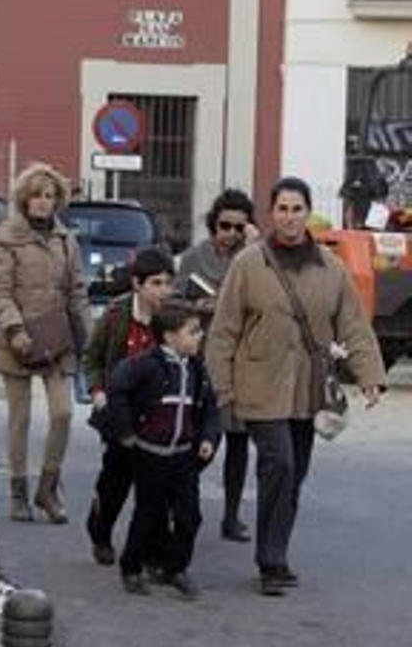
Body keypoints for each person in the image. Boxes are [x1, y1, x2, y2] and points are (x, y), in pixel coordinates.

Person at [205, 177, 387, 596]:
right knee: (280, 463)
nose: (289, 217)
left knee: (295, 474)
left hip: (307, 387)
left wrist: (370, 377)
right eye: (282, 209)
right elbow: (225, 329)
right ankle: (270, 560)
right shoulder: (249, 264)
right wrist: (223, 385)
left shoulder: (330, 267)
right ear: (272, 214)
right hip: (259, 384)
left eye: (297, 209)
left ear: (308, 214)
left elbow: (354, 325)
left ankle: (277, 553)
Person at [0, 162, 92, 524]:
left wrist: (87, 336)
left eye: (50, 196)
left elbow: (77, 290)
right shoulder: (7, 237)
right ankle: (18, 493)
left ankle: (48, 487)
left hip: (56, 337)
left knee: (63, 412)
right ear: (24, 199)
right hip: (17, 336)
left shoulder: (66, 239)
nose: (44, 202)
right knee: (20, 417)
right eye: (37, 195)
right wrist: (15, 329)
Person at [102, 302, 220, 599]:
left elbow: (209, 409)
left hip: (182, 456)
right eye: (192, 331)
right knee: (148, 513)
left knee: (190, 516)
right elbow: (117, 392)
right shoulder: (144, 365)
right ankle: (131, 567)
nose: (200, 336)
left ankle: (175, 568)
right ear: (169, 337)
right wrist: (127, 433)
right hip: (149, 454)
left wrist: (207, 437)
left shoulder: (197, 369)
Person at [82, 247, 176, 565]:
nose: (164, 291)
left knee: (154, 483)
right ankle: (101, 529)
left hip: (158, 415)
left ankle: (150, 547)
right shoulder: (116, 313)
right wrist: (98, 392)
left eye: (167, 283)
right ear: (138, 284)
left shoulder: (173, 317)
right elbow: (92, 358)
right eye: (156, 283)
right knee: (116, 479)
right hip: (119, 410)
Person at [175, 188, 258, 541]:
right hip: (203, 355)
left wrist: (256, 244)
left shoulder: (255, 257)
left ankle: (231, 515)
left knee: (239, 442)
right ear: (214, 224)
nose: (231, 234)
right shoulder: (195, 257)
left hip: (243, 359)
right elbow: (176, 302)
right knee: (202, 437)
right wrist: (204, 307)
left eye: (240, 228)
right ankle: (179, 500)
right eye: (225, 226)